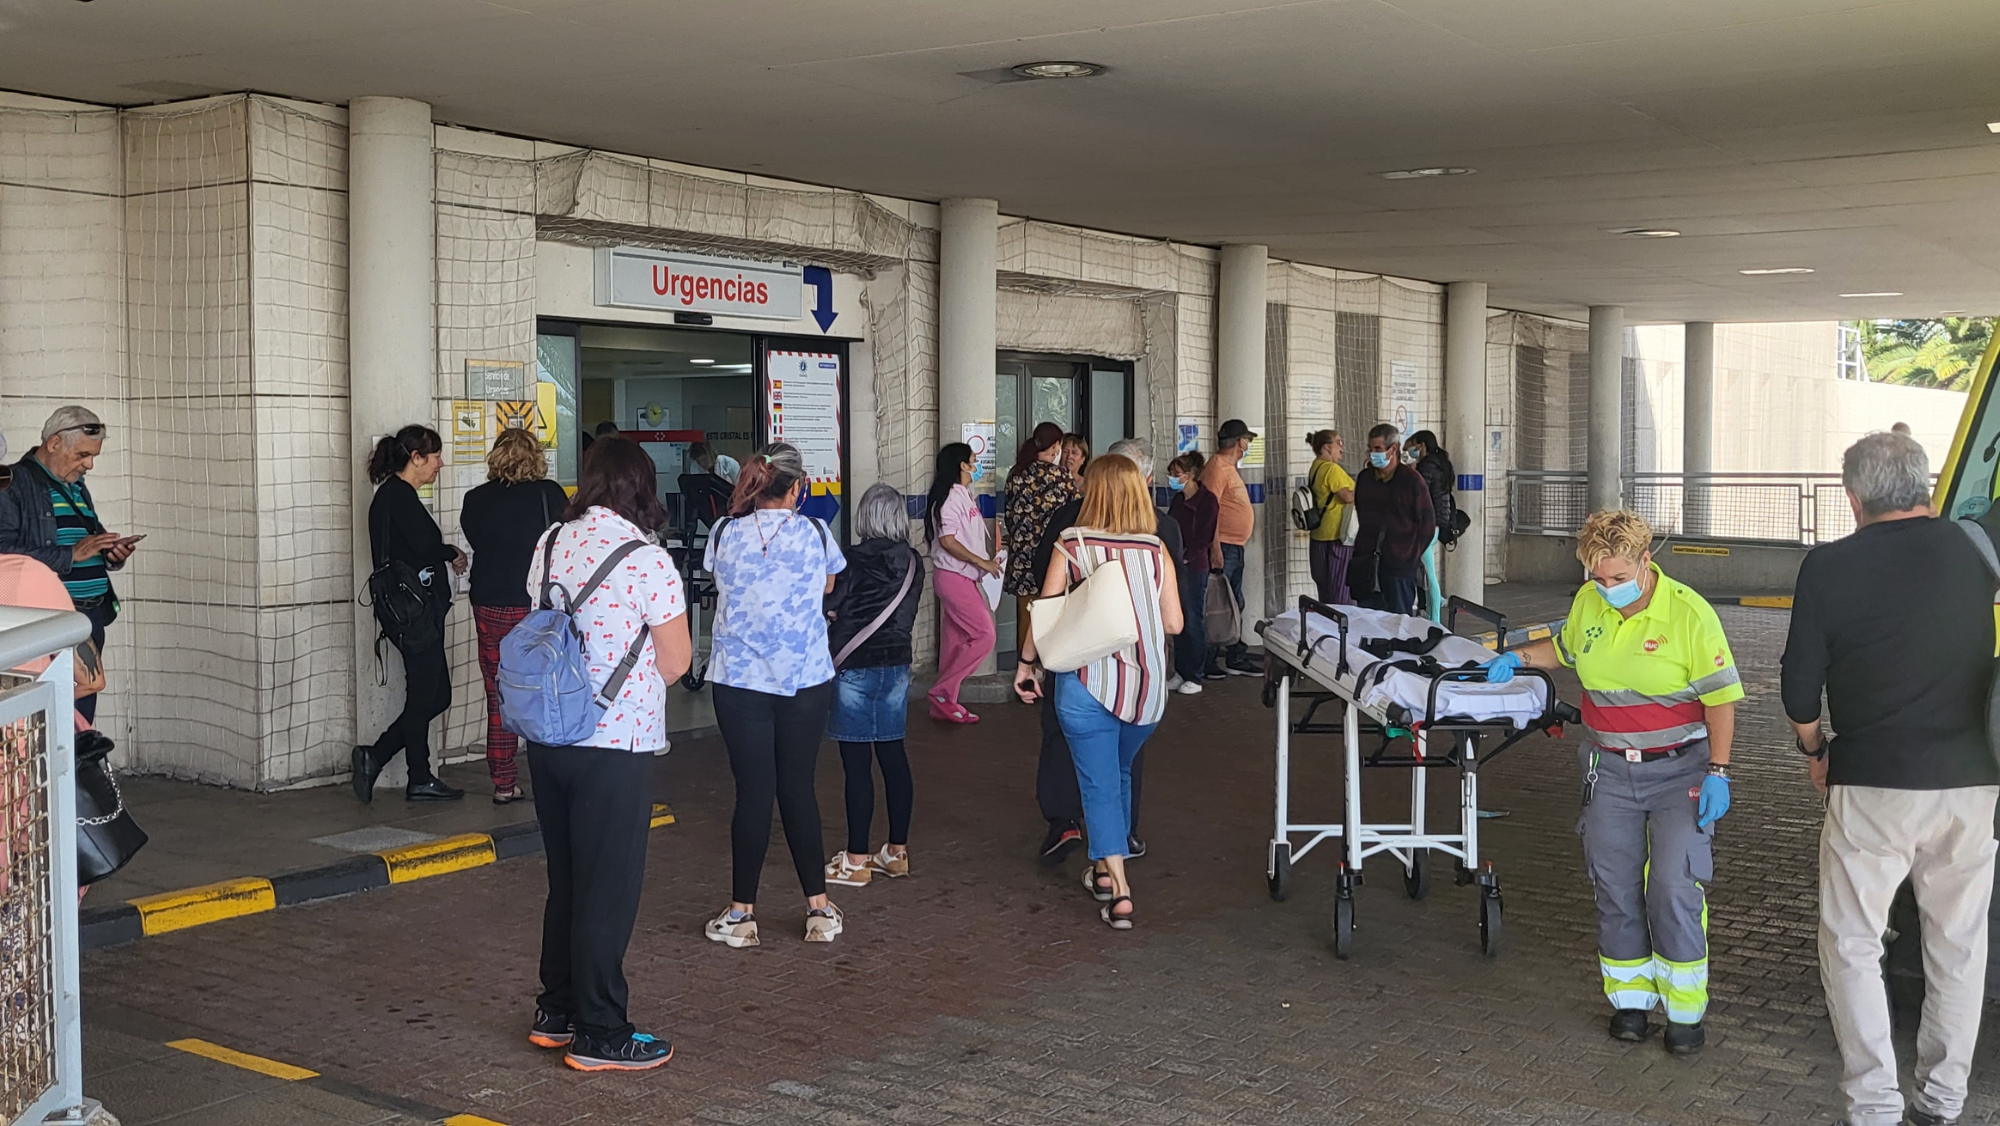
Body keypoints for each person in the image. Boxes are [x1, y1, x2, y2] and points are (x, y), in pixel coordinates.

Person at [1782, 432, 1998, 1126]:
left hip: (1871, 781)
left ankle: (1874, 1104)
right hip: (1972, 780)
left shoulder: (1828, 566)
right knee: (1958, 942)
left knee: (1851, 942)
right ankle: (1942, 1099)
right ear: (1927, 485)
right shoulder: (1975, 548)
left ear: (1852, 497)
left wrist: (1815, 748)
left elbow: (1797, 687)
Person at [1483, 509, 1740, 1055]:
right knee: (1615, 886)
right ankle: (1629, 1003)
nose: (1607, 588)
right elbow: (1568, 649)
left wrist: (1718, 770)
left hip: (1681, 771)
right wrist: (1518, 658)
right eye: (1597, 578)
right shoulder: (1589, 605)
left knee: (1672, 885)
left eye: (1618, 578)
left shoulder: (1690, 615)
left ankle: (1685, 1012)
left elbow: (1720, 699)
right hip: (1611, 771)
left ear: (1646, 563)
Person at [520, 436, 692, 1072]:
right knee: (608, 889)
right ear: (641, 486)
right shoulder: (647, 561)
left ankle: (556, 1012)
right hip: (614, 744)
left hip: (548, 735)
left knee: (566, 881)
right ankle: (601, 1032)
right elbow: (676, 663)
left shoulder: (549, 543)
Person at [1013, 455, 1182, 930]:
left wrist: (1028, 664)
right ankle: (1107, 871)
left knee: (1098, 783)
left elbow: (1044, 609)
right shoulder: (1156, 551)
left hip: (1085, 685)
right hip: (1147, 689)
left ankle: (1121, 891)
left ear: (1095, 492)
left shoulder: (1073, 544)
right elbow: (1173, 623)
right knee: (1119, 771)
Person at [702, 442, 848, 948]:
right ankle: (819, 909)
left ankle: (742, 913)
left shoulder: (722, 533)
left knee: (753, 793)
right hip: (805, 677)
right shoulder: (815, 532)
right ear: (799, 487)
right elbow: (830, 584)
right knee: (799, 789)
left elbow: (719, 580)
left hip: (739, 681)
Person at [352, 425, 467, 804]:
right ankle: (418, 775)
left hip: (404, 612)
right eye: (434, 456)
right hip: (414, 614)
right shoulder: (399, 497)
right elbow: (425, 545)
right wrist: (450, 551)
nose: (440, 464)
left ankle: (378, 756)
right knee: (425, 697)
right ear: (415, 458)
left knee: (435, 696)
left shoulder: (390, 497)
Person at [0, 407, 137, 724]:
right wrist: (70, 555)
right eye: (82, 455)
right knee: (42, 713)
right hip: (48, 621)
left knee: (81, 717)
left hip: (90, 614)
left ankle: (78, 770)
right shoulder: (12, 483)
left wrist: (110, 553)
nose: (88, 464)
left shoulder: (76, 485)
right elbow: (4, 551)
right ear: (54, 443)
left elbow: (85, 538)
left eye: (92, 457)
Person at [461, 427, 572, 803]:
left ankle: (503, 783)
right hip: (534, 605)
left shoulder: (474, 499)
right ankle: (550, 779)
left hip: (488, 602)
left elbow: (479, 541)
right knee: (545, 690)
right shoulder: (549, 494)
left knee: (499, 693)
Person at [823, 483, 925, 889]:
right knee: (893, 756)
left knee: (856, 765)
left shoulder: (851, 560)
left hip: (855, 666)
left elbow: (832, 606)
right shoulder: (914, 562)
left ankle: (856, 859)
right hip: (897, 665)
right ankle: (897, 851)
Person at [924, 443, 1000, 724]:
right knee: (985, 635)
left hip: (964, 577)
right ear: (962, 465)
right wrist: (982, 563)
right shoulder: (949, 499)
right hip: (954, 577)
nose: (976, 465)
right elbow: (948, 540)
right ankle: (942, 692)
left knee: (955, 643)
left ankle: (944, 704)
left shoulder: (965, 495)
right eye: (973, 460)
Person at [1000, 422, 1081, 652]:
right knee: (1051, 618)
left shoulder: (1015, 474)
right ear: (1056, 446)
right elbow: (1075, 514)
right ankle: (1046, 674)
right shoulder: (1061, 476)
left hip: (1022, 560)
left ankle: (1025, 669)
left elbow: (1009, 515)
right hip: (1052, 558)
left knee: (1026, 620)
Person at [1349, 424, 1435, 617]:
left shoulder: (1412, 481)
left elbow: (1427, 525)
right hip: (1366, 565)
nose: (1373, 454)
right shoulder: (1365, 479)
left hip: (1399, 569)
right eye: (1370, 449)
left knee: (1398, 623)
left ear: (1393, 449)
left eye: (1378, 449)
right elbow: (1362, 513)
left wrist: (1408, 555)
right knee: (1366, 623)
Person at [1199, 419, 1260, 676]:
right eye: (1246, 439)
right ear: (1239, 442)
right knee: (1218, 605)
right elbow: (1208, 512)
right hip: (1223, 546)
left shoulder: (1227, 467)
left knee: (1235, 603)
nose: (1247, 444)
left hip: (1234, 545)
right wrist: (1215, 548)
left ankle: (1234, 653)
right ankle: (1209, 660)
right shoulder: (1216, 468)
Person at [1167, 451, 1219, 691]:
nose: (1172, 479)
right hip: (1177, 565)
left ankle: (1195, 675)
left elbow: (1204, 538)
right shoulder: (1178, 500)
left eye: (1176, 475)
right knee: (1178, 620)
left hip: (1195, 567)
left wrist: (1187, 558)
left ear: (1189, 475)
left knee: (1193, 620)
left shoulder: (1207, 501)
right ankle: (1181, 670)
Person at [1403, 430, 1457, 619]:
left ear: (1422, 446)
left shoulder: (1427, 466)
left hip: (1427, 523)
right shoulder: (1441, 463)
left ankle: (1435, 619)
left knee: (1429, 573)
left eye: (1411, 447)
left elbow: (1417, 490)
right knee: (1426, 572)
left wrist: (1410, 473)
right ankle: (1431, 613)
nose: (1409, 451)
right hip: (1436, 523)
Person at [1303, 430, 1356, 606]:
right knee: (1340, 590)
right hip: (1336, 536)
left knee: (1324, 589)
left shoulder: (1315, 466)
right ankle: (1341, 630)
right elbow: (1348, 497)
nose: (1342, 447)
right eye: (1338, 442)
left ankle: (1326, 626)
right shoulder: (1331, 469)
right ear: (1327, 447)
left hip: (1319, 535)